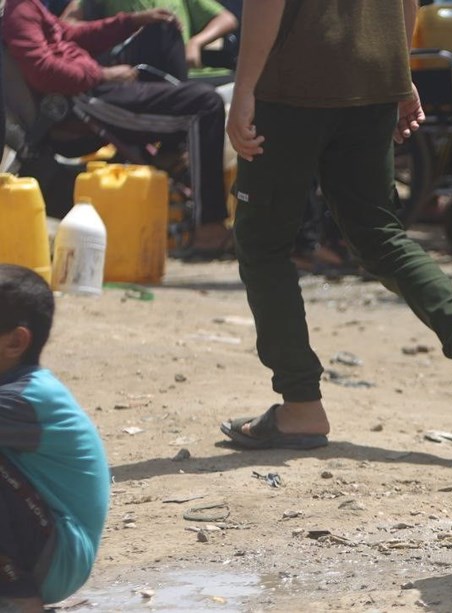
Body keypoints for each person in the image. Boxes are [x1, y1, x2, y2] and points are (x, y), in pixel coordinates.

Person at [218, 0, 452, 458]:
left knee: (263, 243)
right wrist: (400, 76)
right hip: (374, 78)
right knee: (378, 233)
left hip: (291, 83)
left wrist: (244, 87)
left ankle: (301, 403)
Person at [1, 0, 232, 255]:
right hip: (82, 102)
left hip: (90, 87)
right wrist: (103, 75)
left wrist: (132, 22)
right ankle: (209, 232)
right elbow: (43, 70)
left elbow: (71, 35)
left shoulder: (30, 7)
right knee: (203, 106)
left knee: (163, 29)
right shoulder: (20, 10)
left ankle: (171, 152)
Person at [0, 264, 110, 610]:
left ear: (15, 341)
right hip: (42, 539)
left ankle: (21, 601)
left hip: (57, 556)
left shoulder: (29, 399)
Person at [75, 0, 239, 75]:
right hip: (137, 75)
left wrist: (196, 43)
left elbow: (227, 19)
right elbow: (66, 24)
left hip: (196, 74)